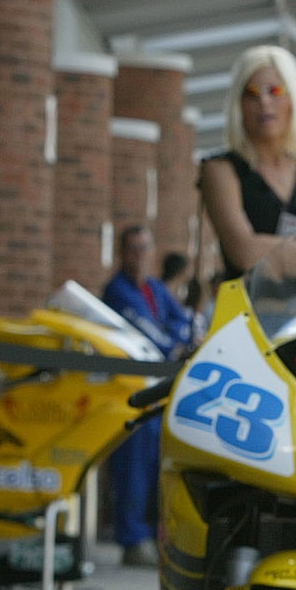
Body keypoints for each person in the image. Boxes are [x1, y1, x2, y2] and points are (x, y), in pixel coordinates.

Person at [199, 44, 296, 279]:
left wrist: (275, 259)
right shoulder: (221, 169)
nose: (264, 102)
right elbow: (244, 253)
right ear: (239, 105)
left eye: (275, 91)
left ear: (292, 99)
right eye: (252, 93)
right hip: (247, 313)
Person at [103, 224, 194, 566]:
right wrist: (174, 340)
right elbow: (151, 333)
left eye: (145, 248)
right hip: (131, 389)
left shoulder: (154, 288)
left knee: (156, 467)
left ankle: (154, 536)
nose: (139, 255)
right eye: (132, 249)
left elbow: (184, 320)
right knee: (133, 469)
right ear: (122, 253)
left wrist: (175, 336)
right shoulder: (118, 289)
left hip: (157, 390)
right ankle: (132, 539)